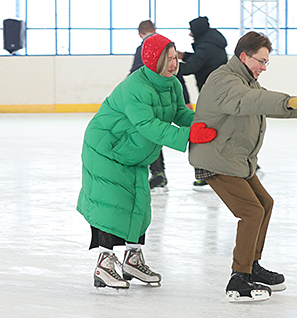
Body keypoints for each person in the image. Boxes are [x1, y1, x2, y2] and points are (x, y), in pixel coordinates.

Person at [188, 31, 297, 302]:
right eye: (260, 61)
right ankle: (238, 277)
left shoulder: (247, 81)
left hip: (236, 160)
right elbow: (253, 102)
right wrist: (288, 100)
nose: (264, 67)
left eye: (266, 62)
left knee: (264, 204)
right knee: (251, 211)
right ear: (244, 56)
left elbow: (271, 105)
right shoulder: (224, 79)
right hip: (216, 159)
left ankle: (252, 266)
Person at [77, 34, 217, 289]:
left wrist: (203, 122)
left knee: (139, 205)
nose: (174, 64)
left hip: (133, 152)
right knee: (111, 206)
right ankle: (104, 264)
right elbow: (147, 125)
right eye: (168, 59)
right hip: (106, 149)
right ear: (154, 60)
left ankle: (132, 259)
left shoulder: (171, 83)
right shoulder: (135, 87)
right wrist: (189, 136)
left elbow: (179, 113)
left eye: (175, 58)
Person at [129, 20, 192, 191]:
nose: (172, 64)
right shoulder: (159, 50)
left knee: (152, 133)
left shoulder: (154, 52)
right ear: (154, 29)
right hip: (149, 103)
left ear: (139, 33)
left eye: (173, 59)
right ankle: (158, 172)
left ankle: (158, 173)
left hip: (152, 102)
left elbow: (134, 73)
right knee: (152, 132)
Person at [176, 16, 230, 192]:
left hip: (212, 96)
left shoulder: (206, 46)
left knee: (208, 132)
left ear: (198, 31)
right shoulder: (211, 41)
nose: (190, 34)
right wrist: (183, 56)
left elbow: (191, 67)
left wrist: (170, 67)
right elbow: (200, 59)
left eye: (191, 30)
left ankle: (209, 174)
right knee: (221, 129)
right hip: (219, 93)